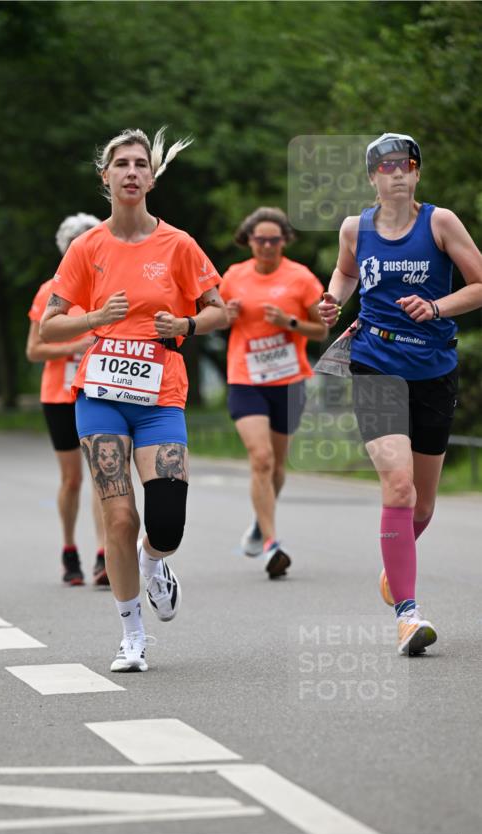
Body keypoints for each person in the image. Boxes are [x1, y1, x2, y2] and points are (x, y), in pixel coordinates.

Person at [39, 127, 226, 672]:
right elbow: (50, 326)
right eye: (120, 163)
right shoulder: (87, 247)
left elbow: (220, 309)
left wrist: (187, 324)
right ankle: (131, 633)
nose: (130, 172)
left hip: (161, 395)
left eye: (140, 163)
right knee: (118, 517)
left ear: (151, 175)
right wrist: (95, 319)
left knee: (165, 521)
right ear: (105, 176)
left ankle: (154, 563)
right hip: (100, 395)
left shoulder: (179, 244)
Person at [319, 132, 482, 655]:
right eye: (384, 166)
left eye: (404, 164)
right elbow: (346, 274)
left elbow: (480, 284)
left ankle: (395, 566)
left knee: (424, 505)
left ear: (416, 173)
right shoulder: (355, 228)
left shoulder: (440, 222)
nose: (395, 172)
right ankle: (408, 617)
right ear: (372, 177)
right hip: (374, 363)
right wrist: (331, 300)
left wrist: (436, 308)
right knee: (399, 488)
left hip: (433, 369)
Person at [220, 207, 327, 577]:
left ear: (285, 241)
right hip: (245, 378)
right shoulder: (233, 277)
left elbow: (320, 331)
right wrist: (226, 316)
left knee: (277, 466)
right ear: (248, 240)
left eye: (274, 240)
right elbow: (211, 316)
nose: (267, 246)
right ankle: (271, 543)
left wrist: (290, 322)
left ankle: (259, 523)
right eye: (260, 239)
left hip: (288, 379)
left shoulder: (300, 278)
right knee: (261, 458)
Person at [26, 213, 109, 587]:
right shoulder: (50, 291)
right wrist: (76, 345)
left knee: (102, 475)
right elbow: (33, 350)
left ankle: (104, 554)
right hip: (59, 394)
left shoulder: (108, 285)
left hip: (100, 390)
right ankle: (69, 548)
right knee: (72, 478)